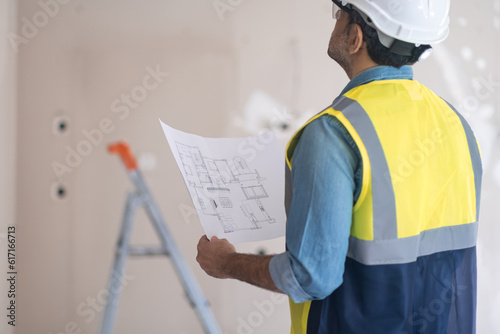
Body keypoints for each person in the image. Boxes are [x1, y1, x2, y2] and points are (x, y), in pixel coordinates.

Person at [196, 0, 482, 333]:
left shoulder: (333, 133)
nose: (335, 21)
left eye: (339, 13)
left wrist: (226, 262)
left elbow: (310, 277)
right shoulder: (455, 124)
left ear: (355, 38)